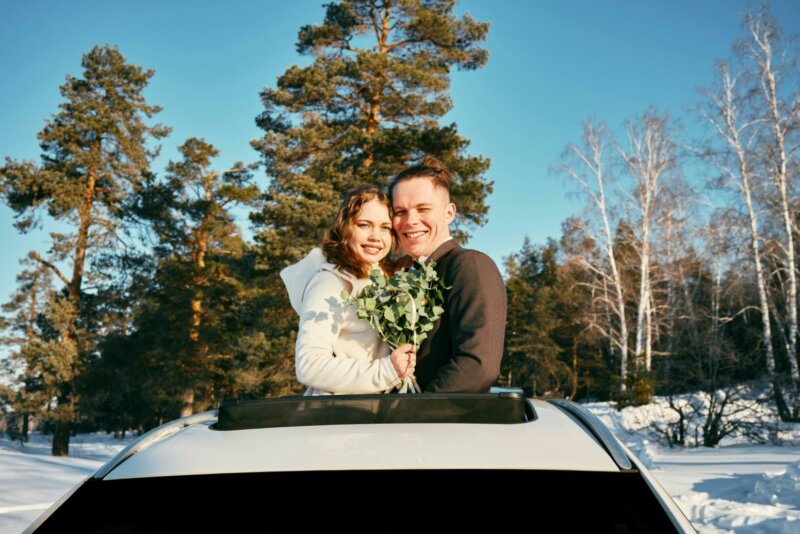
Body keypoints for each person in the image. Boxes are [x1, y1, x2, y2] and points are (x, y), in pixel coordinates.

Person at [281, 185, 416, 395]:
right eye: (364, 225)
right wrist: (388, 370)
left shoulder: (385, 276)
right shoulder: (330, 282)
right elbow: (309, 365)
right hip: (339, 416)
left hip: (379, 411)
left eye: (385, 228)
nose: (375, 236)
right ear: (345, 228)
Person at [389, 156, 506, 392]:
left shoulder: (469, 266)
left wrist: (411, 415)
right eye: (400, 211)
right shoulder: (401, 274)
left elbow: (477, 366)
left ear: (449, 212)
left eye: (423, 209)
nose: (410, 221)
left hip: (442, 424)